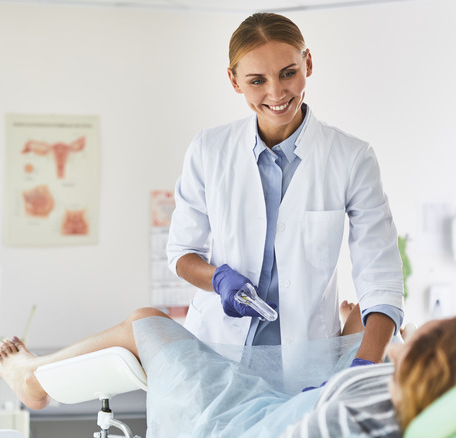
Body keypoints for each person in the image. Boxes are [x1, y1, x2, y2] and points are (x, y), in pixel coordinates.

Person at [165, 12, 403, 365]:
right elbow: (182, 253)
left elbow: (379, 275)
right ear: (234, 81)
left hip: (306, 359)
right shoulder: (208, 150)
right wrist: (217, 279)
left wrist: (362, 367)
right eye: (257, 80)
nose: (276, 93)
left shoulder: (352, 158)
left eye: (288, 73)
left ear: (308, 63)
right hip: (219, 353)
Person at [0, 307, 456, 437]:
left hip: (233, 421)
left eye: (414, 344)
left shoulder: (360, 415)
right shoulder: (408, 398)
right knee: (187, 316)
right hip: (284, 403)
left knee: (147, 323)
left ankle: (32, 379)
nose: (403, 343)